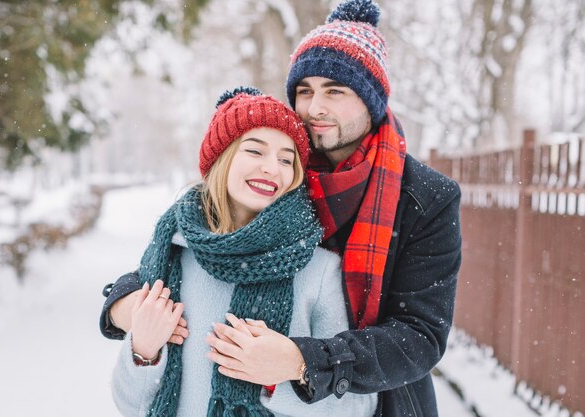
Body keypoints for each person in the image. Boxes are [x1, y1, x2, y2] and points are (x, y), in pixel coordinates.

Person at [102, 0, 462, 416]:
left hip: (379, 399)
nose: (315, 107)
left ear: (372, 100)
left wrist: (299, 362)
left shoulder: (425, 198)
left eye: (335, 91)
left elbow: (420, 336)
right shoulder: (280, 170)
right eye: (305, 91)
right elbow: (204, 243)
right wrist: (124, 307)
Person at [108, 87, 378, 417]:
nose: (271, 168)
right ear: (222, 158)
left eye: (285, 159)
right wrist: (144, 351)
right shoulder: (172, 254)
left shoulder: (318, 270)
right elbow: (129, 405)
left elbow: (358, 407)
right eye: (255, 151)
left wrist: (287, 372)